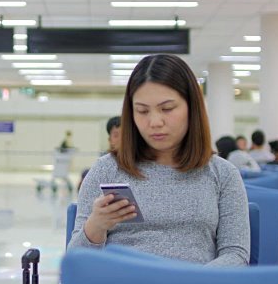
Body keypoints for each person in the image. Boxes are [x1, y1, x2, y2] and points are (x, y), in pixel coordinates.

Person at [70, 54, 250, 266]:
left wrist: (184, 283)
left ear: (191, 108)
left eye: (167, 109)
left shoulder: (223, 174)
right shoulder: (106, 170)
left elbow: (236, 254)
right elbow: (76, 263)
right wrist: (96, 226)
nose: (155, 122)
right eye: (142, 111)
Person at [78, 116, 122, 191]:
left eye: (125, 134)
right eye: (116, 135)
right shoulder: (104, 161)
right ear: (110, 140)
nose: (121, 139)